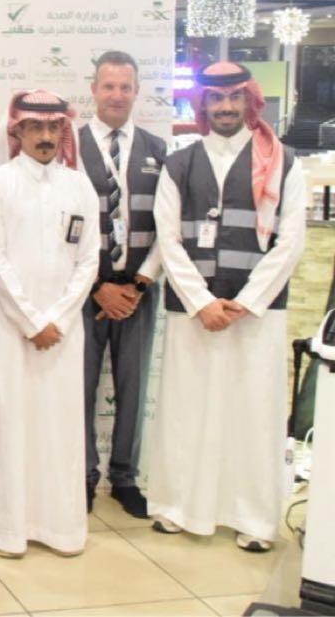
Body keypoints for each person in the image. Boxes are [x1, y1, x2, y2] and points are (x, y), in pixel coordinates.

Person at [148, 62, 307, 552]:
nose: (225, 107)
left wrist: (244, 303)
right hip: (192, 312)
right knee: (186, 408)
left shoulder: (284, 162)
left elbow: (291, 241)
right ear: (203, 105)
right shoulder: (179, 163)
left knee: (252, 411)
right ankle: (179, 507)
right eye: (216, 99)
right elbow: (168, 239)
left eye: (235, 97)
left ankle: (252, 518)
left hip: (256, 314)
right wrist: (201, 302)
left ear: (250, 101)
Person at [0, 89, 100, 558]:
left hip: (63, 332)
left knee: (59, 427)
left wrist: (58, 319)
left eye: (53, 127)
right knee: (9, 424)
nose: (45, 136)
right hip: (11, 330)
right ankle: (5, 530)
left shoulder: (80, 186)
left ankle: (60, 527)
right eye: (35, 127)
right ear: (18, 131)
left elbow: (88, 260)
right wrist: (30, 321)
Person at [78, 51, 167, 518]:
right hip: (84, 293)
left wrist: (141, 283)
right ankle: (83, 476)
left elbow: (169, 226)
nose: (116, 95)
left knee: (132, 388)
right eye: (108, 86)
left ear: (136, 92)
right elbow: (58, 226)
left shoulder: (159, 150)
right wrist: (97, 285)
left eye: (125, 87)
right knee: (80, 386)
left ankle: (125, 477)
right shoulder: (71, 148)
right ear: (94, 89)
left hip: (138, 292)